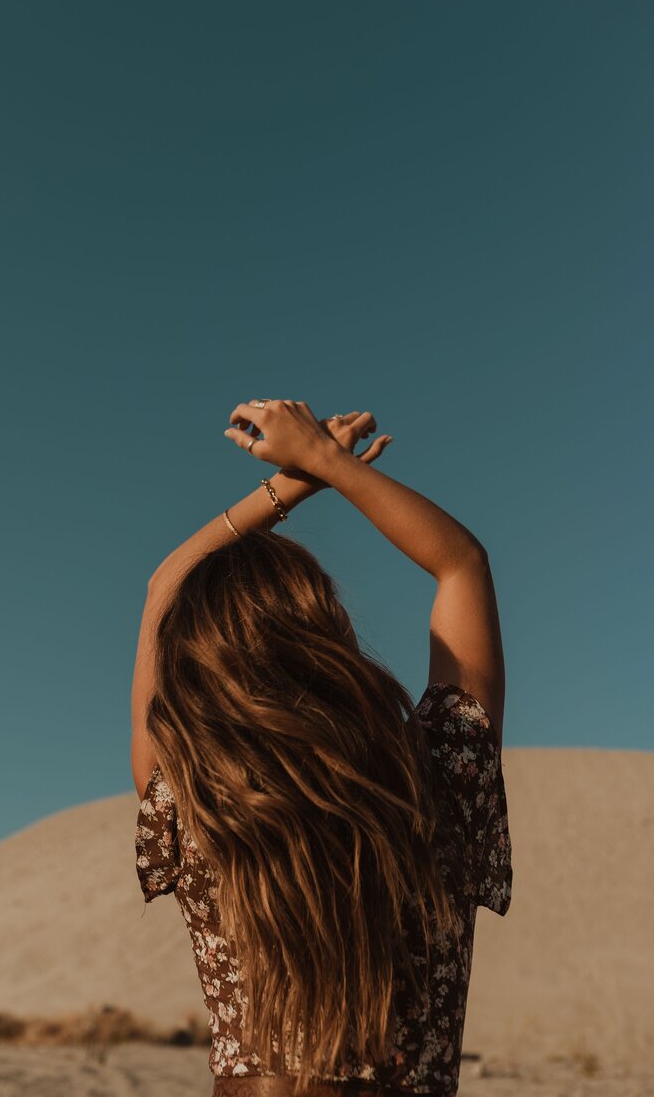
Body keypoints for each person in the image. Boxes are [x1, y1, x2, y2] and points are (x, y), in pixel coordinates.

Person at [132, 399, 511, 1097]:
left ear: (198, 672)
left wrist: (290, 484)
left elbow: (166, 587)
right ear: (325, 636)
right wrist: (325, 461)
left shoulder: (190, 804)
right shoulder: (439, 777)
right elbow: (462, 566)